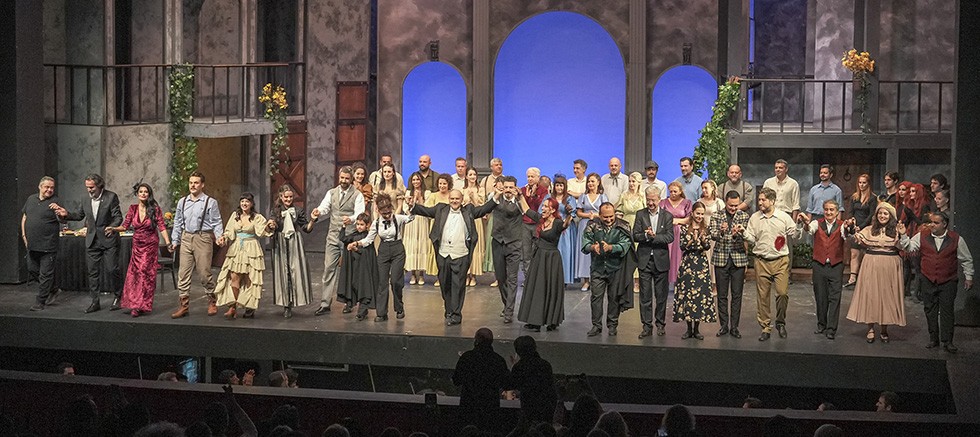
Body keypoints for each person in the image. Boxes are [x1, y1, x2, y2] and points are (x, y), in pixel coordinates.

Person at [409, 189, 496, 325]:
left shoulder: (468, 210)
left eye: (457, 199)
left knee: (458, 286)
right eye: (452, 199)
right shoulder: (440, 209)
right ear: (449, 199)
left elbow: (484, 209)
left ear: (461, 200)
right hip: (443, 254)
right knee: (445, 285)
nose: (454, 201)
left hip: (461, 254)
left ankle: (456, 314)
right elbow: (425, 211)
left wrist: (497, 195)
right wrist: (413, 205)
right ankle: (449, 310)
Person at [906, 211, 974, 353]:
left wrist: (969, 277)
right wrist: (902, 236)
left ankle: (948, 341)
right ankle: (933, 338)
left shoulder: (956, 239)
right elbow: (909, 247)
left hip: (948, 280)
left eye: (936, 223)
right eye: (931, 222)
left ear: (944, 224)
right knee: (930, 309)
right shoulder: (922, 236)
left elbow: (966, 259)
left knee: (947, 310)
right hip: (928, 278)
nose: (932, 225)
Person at [744, 187, 803, 341]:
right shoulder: (755, 218)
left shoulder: (783, 217)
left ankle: (780, 322)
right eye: (759, 199)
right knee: (763, 296)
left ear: (772, 201)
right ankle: (765, 327)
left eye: (763, 200)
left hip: (780, 261)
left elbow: (795, 235)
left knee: (782, 293)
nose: (760, 202)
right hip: (761, 261)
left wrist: (799, 225)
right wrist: (743, 233)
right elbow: (751, 238)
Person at [847, 202, 910, 343]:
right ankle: (870, 328)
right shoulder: (869, 230)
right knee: (871, 295)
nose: (882, 216)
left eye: (885, 213)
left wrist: (903, 234)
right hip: (871, 263)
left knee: (887, 296)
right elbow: (855, 238)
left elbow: (904, 247)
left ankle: (884, 329)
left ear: (891, 216)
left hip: (890, 265)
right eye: (880, 213)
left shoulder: (896, 231)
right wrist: (850, 229)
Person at [107, 183, 171, 317]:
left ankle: (141, 304)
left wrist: (168, 242)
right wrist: (113, 228)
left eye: (146, 192)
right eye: (141, 192)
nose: (143, 194)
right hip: (137, 245)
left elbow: (161, 226)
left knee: (144, 272)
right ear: (137, 194)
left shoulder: (155, 209)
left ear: (149, 194)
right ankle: (135, 304)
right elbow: (125, 226)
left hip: (150, 245)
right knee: (135, 274)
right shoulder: (133, 208)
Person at [64, 174, 123, 313]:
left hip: (108, 239)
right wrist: (66, 214)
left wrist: (112, 227)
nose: (89, 190)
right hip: (92, 241)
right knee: (93, 273)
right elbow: (79, 215)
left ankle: (119, 296)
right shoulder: (85, 198)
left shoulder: (111, 197)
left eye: (92, 187)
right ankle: (95, 302)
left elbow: (118, 217)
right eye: (87, 187)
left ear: (99, 186)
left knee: (112, 269)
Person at [169, 171, 225, 318]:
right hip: (186, 237)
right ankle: (184, 305)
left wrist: (219, 236)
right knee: (183, 273)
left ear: (202, 185)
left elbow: (216, 221)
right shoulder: (182, 202)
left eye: (196, 183)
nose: (193, 185)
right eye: (191, 183)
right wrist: (175, 240)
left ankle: (212, 300)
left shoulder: (210, 202)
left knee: (204, 273)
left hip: (203, 237)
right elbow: (177, 222)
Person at [311, 166, 366, 315]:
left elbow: (360, 213)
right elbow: (325, 207)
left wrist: (351, 219)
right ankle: (325, 303)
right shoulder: (332, 193)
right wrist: (318, 211)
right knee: (329, 268)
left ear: (351, 179)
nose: (344, 181)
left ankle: (349, 302)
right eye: (342, 178)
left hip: (349, 237)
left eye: (347, 178)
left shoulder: (357, 195)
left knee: (348, 271)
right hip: (333, 236)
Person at [352, 192, 414, 321]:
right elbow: (368, 239)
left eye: (388, 212)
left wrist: (410, 206)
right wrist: (357, 243)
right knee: (382, 282)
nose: (387, 215)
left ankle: (399, 307)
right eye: (384, 213)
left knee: (396, 281)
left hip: (397, 249)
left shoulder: (398, 218)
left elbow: (411, 217)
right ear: (379, 211)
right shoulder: (376, 223)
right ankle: (381, 313)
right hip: (383, 250)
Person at [517, 197, 574, 331]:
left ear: (553, 210)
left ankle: (551, 320)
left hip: (551, 259)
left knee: (550, 288)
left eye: (546, 206)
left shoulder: (557, 223)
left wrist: (570, 216)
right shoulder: (540, 219)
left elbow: (565, 225)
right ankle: (534, 320)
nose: (542, 208)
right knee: (536, 288)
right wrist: (520, 196)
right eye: (543, 206)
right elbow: (526, 210)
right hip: (539, 257)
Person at [800, 200, 854, 340]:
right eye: (826, 210)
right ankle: (821, 325)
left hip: (836, 266)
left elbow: (847, 234)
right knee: (820, 296)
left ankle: (831, 329)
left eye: (831, 210)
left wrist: (849, 227)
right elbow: (809, 229)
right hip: (819, 265)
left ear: (837, 212)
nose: (829, 212)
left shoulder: (842, 225)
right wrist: (805, 223)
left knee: (835, 298)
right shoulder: (817, 223)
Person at [215, 192, 273, 319]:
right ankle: (232, 307)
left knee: (250, 279)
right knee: (234, 277)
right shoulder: (235, 216)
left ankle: (249, 307)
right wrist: (223, 238)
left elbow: (263, 231)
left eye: (247, 201)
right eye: (242, 201)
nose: (244, 204)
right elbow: (229, 232)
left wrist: (269, 226)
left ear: (251, 204)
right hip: (236, 249)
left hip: (251, 249)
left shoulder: (257, 217)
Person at [583, 203, 633, 337]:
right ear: (600, 215)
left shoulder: (623, 226)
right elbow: (585, 243)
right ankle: (596, 325)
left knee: (614, 297)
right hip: (598, 267)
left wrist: (611, 247)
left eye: (611, 216)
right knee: (596, 298)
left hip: (615, 268)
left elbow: (625, 244)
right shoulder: (592, 225)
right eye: (605, 217)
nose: (609, 219)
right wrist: (593, 247)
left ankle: (612, 325)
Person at [268, 184, 315, 319]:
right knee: (283, 272)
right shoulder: (275, 211)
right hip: (280, 243)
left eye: (290, 197)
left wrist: (313, 220)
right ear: (281, 197)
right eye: (286, 197)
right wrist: (272, 225)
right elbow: (272, 225)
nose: (288, 199)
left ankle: (294, 300)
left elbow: (306, 228)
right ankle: (286, 305)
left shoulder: (298, 211)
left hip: (294, 242)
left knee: (295, 271)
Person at [672, 202, 717, 340]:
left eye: (702, 214)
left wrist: (702, 240)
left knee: (699, 297)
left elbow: (707, 246)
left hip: (701, 265)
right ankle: (688, 328)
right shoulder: (685, 228)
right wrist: (692, 240)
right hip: (688, 264)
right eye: (698, 213)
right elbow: (682, 246)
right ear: (692, 213)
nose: (700, 216)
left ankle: (697, 329)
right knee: (687, 295)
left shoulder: (706, 228)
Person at [634, 186, 675, 338]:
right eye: (648, 200)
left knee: (661, 296)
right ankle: (646, 326)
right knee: (645, 296)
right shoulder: (640, 214)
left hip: (661, 260)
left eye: (653, 200)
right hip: (645, 260)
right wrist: (645, 236)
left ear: (659, 199)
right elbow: (635, 235)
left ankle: (660, 324)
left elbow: (670, 237)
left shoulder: (667, 216)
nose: (650, 203)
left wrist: (654, 237)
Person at [21, 177, 67, 311]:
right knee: (32, 269)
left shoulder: (56, 201)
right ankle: (53, 289)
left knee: (45, 274)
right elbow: (25, 217)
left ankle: (40, 301)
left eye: (52, 187)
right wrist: (24, 236)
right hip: (32, 244)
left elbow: (63, 220)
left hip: (48, 245)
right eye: (47, 187)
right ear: (40, 187)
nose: (49, 190)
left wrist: (59, 211)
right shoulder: (31, 199)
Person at [709, 190, 750, 338]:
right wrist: (721, 232)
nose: (733, 208)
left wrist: (738, 233)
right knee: (722, 295)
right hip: (721, 259)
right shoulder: (716, 215)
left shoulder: (744, 216)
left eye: (736, 205)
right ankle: (724, 325)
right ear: (725, 202)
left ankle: (735, 327)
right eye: (731, 205)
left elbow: (748, 236)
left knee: (737, 295)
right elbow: (712, 234)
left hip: (738, 259)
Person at [452, 328, 509, 430]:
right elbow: (506, 383)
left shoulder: (467, 357)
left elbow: (456, 380)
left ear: (476, 340)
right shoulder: (498, 360)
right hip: (490, 407)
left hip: (469, 406)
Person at [490, 176, 526, 323]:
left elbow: (526, 211)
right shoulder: (496, 198)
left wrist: (520, 198)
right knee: (500, 278)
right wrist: (496, 194)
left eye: (511, 187)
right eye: (506, 187)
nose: (508, 190)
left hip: (513, 243)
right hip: (498, 242)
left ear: (515, 188)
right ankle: (507, 305)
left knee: (512, 279)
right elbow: (487, 206)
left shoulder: (519, 201)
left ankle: (509, 312)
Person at [507, 336, 558, 424]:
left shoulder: (519, 367)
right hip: (547, 404)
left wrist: (513, 368)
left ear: (518, 351)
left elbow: (513, 385)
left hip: (529, 405)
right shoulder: (545, 365)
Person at [338, 213, 379, 319]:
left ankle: (363, 309)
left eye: (361, 224)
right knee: (353, 283)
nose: (359, 227)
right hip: (354, 265)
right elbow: (343, 238)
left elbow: (366, 252)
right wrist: (344, 226)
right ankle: (349, 303)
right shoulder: (354, 235)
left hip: (364, 267)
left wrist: (355, 248)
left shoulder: (368, 237)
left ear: (367, 225)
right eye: (357, 224)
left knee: (363, 286)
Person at [576, 173, 608, 291]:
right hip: (585, 225)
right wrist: (587, 215)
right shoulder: (583, 197)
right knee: (585, 252)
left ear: (598, 182)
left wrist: (596, 216)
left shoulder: (603, 196)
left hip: (599, 226)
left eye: (593, 181)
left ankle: (598, 279)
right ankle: (586, 281)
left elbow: (606, 211)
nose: (590, 183)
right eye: (589, 181)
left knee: (598, 250)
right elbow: (578, 212)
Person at [547, 175, 579, 286]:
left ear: (564, 187)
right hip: (552, 227)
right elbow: (542, 210)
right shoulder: (549, 197)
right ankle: (552, 278)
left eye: (561, 185)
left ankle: (564, 279)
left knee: (564, 253)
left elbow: (573, 213)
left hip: (566, 229)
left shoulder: (569, 198)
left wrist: (566, 218)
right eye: (557, 185)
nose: (559, 188)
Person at [661, 181, 692, 289]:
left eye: (675, 191)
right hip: (667, 232)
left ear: (680, 191)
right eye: (671, 191)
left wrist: (677, 221)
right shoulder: (664, 202)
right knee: (668, 256)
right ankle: (666, 282)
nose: (673, 193)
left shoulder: (687, 202)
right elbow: (660, 216)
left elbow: (689, 218)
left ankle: (679, 281)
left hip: (680, 233)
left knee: (679, 256)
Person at [846, 174, 876, 287]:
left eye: (864, 183)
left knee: (864, 253)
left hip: (866, 227)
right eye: (860, 182)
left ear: (868, 184)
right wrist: (851, 222)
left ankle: (864, 276)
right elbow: (850, 211)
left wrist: (862, 226)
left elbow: (871, 214)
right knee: (854, 253)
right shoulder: (854, 197)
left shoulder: (872, 198)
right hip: (855, 227)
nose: (861, 185)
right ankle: (852, 277)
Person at [424, 174, 453, 287]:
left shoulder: (452, 195)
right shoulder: (433, 196)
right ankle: (439, 277)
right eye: (440, 183)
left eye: (444, 183)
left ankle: (449, 276)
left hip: (450, 227)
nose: (442, 186)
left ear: (449, 184)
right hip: (437, 227)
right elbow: (428, 210)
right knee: (437, 252)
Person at [404, 172, 431, 285]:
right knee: (412, 246)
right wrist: (411, 202)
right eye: (414, 180)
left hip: (422, 221)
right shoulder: (408, 192)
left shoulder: (427, 193)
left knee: (421, 246)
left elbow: (427, 209)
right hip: (411, 221)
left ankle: (421, 274)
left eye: (418, 179)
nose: (416, 182)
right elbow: (406, 210)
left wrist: (420, 198)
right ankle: (412, 274)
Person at [480, 158, 505, 282]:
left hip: (504, 219)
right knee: (490, 245)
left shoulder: (507, 179)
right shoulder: (485, 180)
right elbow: (484, 199)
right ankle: (493, 274)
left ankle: (500, 277)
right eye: (496, 165)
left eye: (500, 164)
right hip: (490, 218)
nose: (499, 166)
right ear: (491, 167)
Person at [699, 179, 726, 294]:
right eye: (702, 188)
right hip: (703, 233)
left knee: (713, 260)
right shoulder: (699, 201)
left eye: (706, 188)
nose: (704, 190)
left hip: (715, 234)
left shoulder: (719, 202)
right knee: (705, 258)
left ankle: (715, 285)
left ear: (713, 188)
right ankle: (705, 283)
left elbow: (724, 217)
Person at [461, 167, 486, 286]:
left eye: (474, 174)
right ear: (466, 176)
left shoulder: (481, 189)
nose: (472, 177)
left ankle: (474, 275)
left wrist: (473, 198)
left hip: (476, 220)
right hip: (465, 220)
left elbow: (481, 206)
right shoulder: (462, 190)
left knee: (476, 246)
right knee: (465, 246)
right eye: (470, 174)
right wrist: (467, 200)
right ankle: (466, 274)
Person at [522, 167, 550, 269]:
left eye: (532, 177)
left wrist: (534, 196)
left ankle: (536, 274)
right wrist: (527, 196)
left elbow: (542, 206)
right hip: (525, 223)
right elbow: (522, 205)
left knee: (536, 250)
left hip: (537, 223)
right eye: (528, 177)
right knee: (526, 251)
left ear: (538, 178)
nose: (530, 179)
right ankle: (527, 275)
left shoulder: (543, 191)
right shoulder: (523, 190)